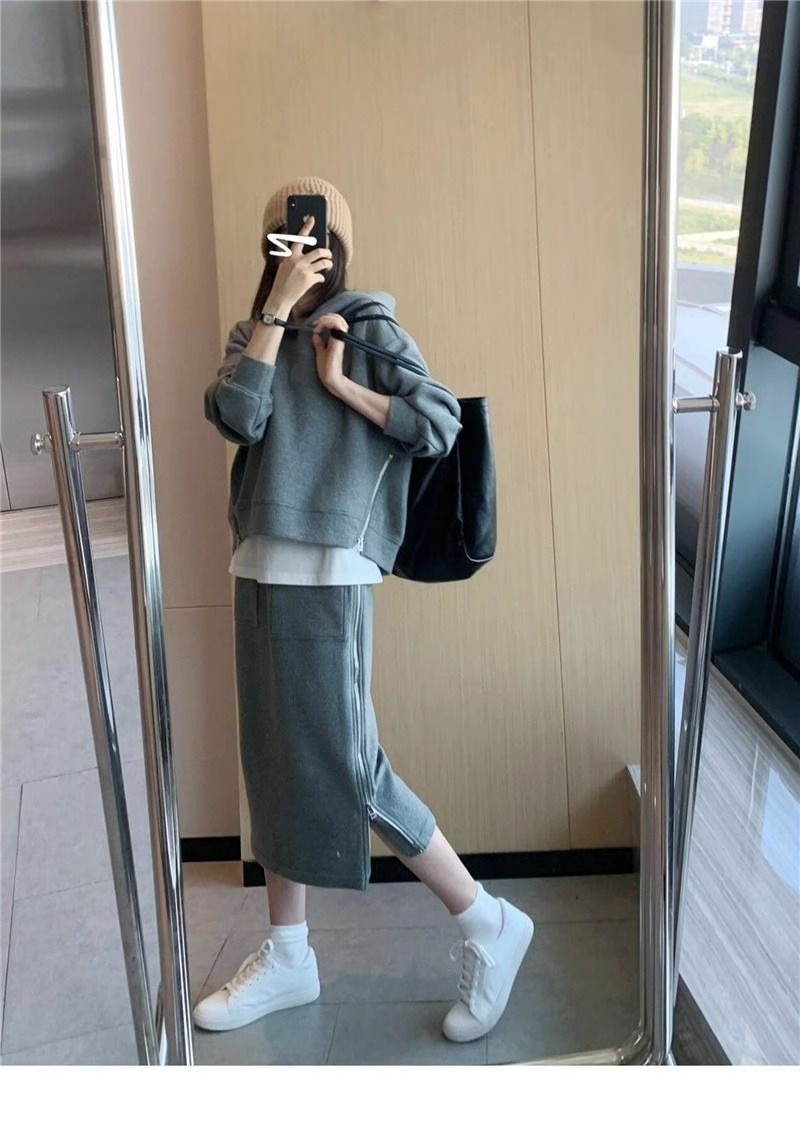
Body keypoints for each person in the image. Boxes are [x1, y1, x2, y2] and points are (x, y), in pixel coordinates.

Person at [197, 176, 533, 1044]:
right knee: (272, 758)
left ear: (338, 245)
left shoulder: (371, 327)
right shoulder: (253, 333)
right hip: (257, 564)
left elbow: (439, 424)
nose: (299, 249)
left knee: (352, 765)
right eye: (281, 238)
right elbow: (236, 417)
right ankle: (289, 953)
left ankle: (488, 920)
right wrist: (276, 312)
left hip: (332, 570)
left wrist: (341, 381)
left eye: (311, 237)